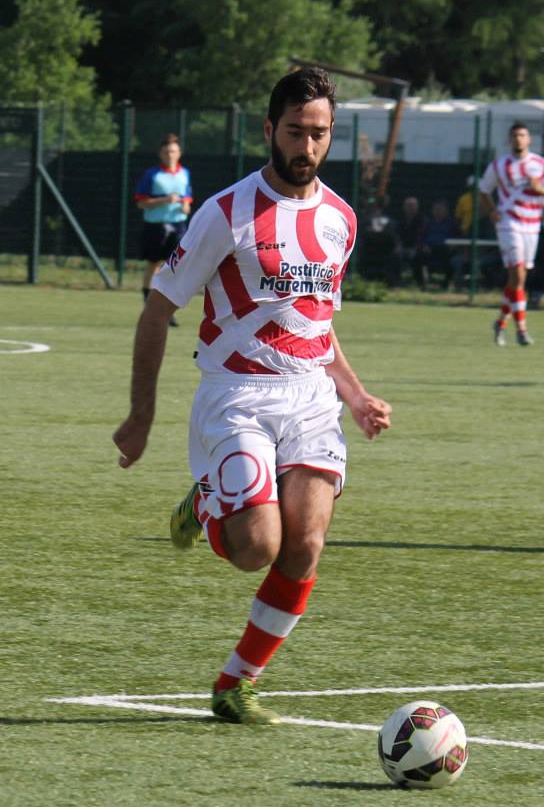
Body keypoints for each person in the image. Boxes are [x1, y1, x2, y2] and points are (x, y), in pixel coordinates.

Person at [112, 68, 391, 725]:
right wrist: (141, 415)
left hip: (311, 399)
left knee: (306, 543)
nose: (306, 145)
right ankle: (205, 502)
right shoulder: (225, 213)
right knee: (257, 547)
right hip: (237, 396)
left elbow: (315, 323)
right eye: (294, 131)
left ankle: (236, 682)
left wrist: (355, 395)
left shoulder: (341, 220)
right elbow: (157, 309)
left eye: (318, 133)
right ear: (270, 129)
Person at [479, 121, 544, 346]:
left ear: (529, 139)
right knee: (517, 274)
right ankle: (521, 330)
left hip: (532, 225)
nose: (518, 139)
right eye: (515, 135)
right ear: (509, 139)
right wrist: (492, 211)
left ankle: (501, 322)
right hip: (509, 223)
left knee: (517, 279)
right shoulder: (499, 165)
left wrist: (539, 189)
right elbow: (484, 190)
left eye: (522, 135)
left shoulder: (539, 164)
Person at [133, 133, 193, 327]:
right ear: (161, 154)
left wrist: (185, 206)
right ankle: (149, 305)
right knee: (154, 265)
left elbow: (187, 198)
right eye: (166, 152)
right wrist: (164, 200)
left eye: (173, 151)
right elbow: (141, 203)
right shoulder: (152, 175)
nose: (170, 155)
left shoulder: (184, 174)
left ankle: (167, 311)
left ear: (179, 153)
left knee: (174, 268)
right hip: (156, 225)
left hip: (178, 226)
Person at [415, 199, 456, 290]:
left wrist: (453, 246)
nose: (438, 211)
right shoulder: (427, 223)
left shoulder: (452, 223)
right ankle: (421, 284)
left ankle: (446, 284)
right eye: (436, 209)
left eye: (440, 209)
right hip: (429, 249)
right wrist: (423, 246)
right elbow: (420, 238)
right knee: (418, 258)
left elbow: (457, 237)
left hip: (445, 249)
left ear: (446, 211)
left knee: (451, 260)